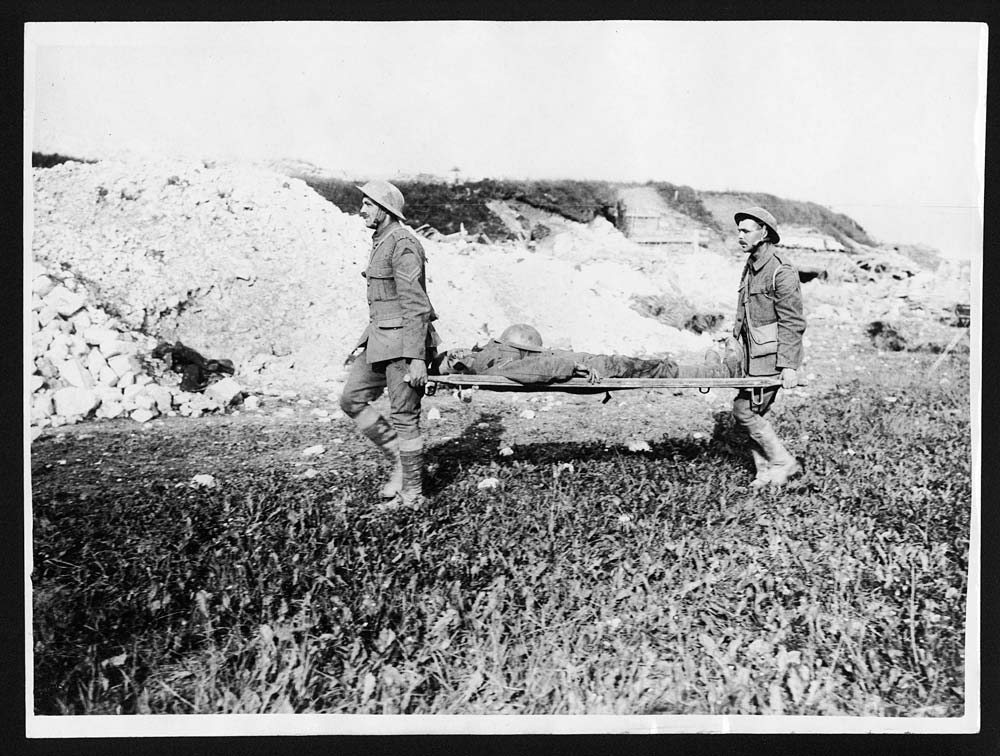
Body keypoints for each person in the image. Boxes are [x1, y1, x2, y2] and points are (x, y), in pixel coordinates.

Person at [339, 180, 439, 511]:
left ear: (384, 209)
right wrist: (362, 342)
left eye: (368, 204)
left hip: (403, 346)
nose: (362, 210)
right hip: (379, 340)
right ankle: (400, 459)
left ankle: (412, 495)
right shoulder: (381, 241)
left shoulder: (404, 245)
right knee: (351, 399)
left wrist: (417, 359)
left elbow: (416, 306)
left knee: (404, 417)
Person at [731, 207, 806, 487]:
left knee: (744, 411)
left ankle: (783, 462)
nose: (739, 235)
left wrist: (789, 366)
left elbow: (793, 321)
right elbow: (744, 311)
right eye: (739, 230)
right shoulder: (751, 265)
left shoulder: (780, 270)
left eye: (746, 230)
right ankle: (764, 470)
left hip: (771, 359)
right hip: (750, 356)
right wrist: (732, 342)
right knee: (753, 413)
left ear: (764, 232)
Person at [432, 323, 743, 384]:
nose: (456, 350)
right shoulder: (488, 364)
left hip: (567, 357)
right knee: (643, 367)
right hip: (578, 365)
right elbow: (532, 371)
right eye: (451, 356)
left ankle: (706, 367)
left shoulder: (484, 352)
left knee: (643, 364)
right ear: (455, 364)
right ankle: (719, 373)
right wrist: (572, 366)